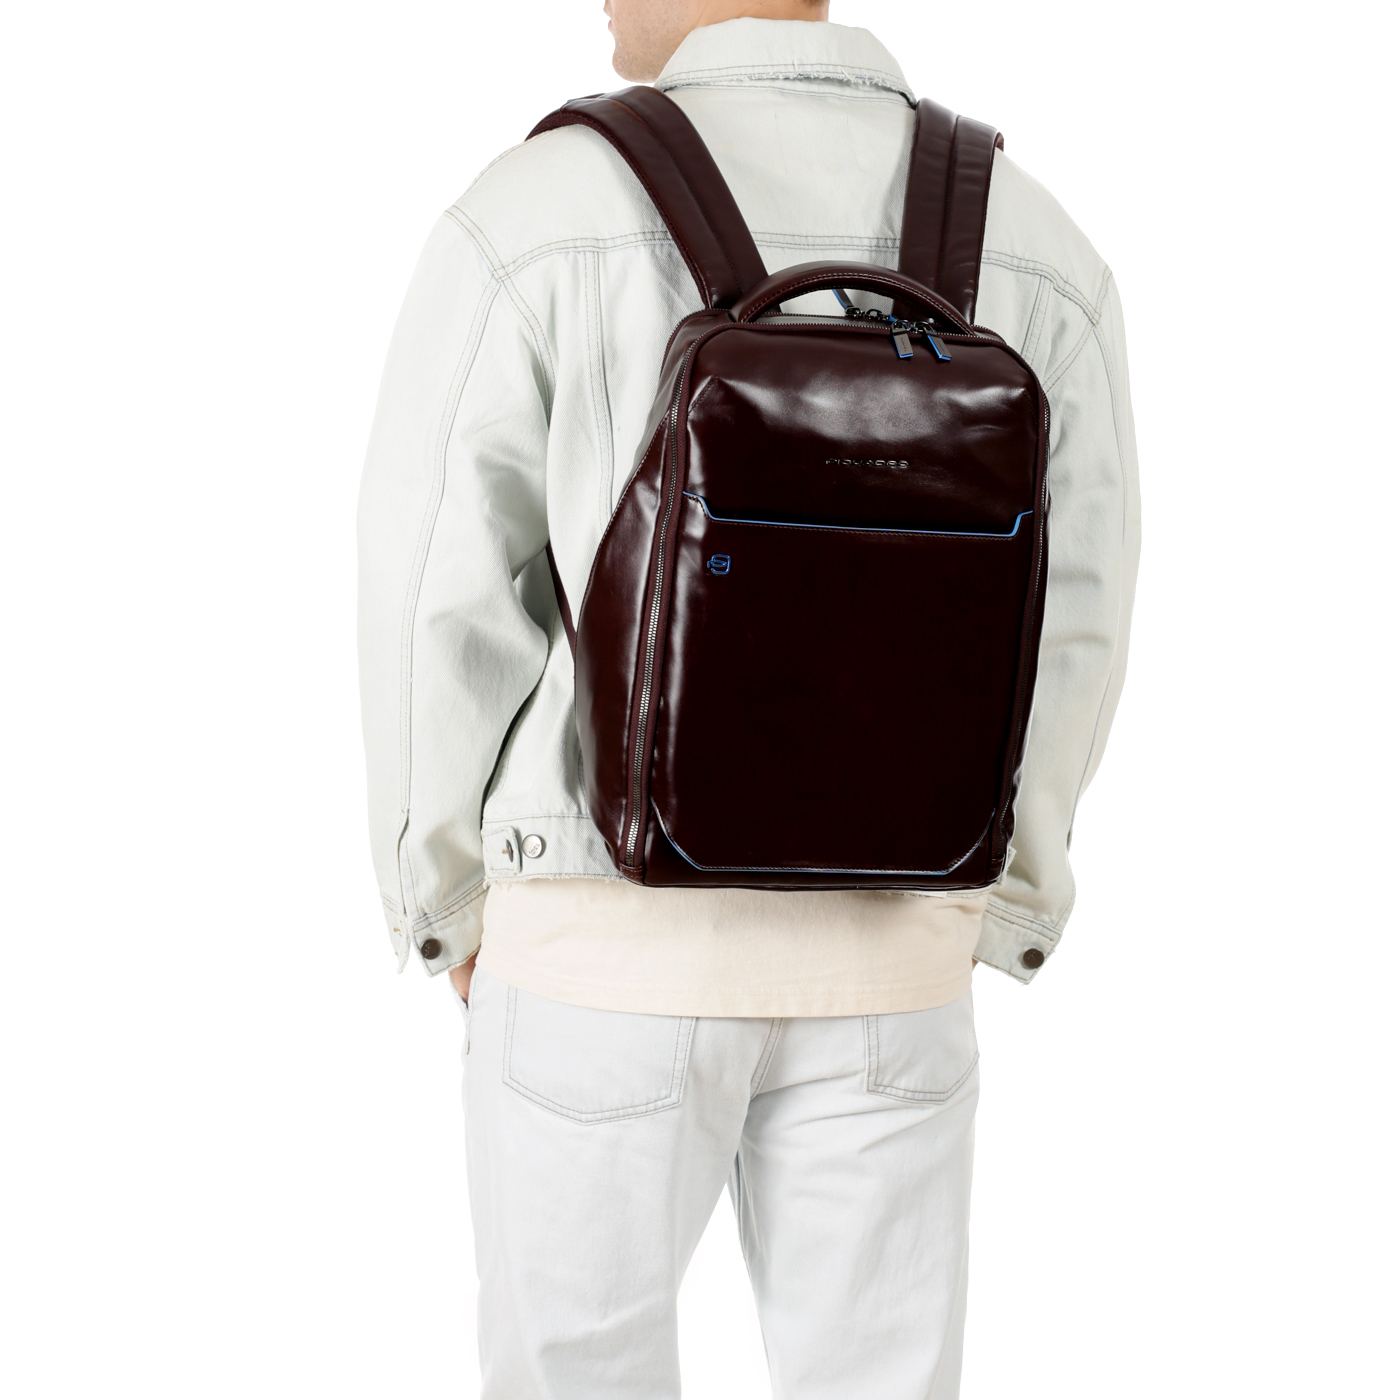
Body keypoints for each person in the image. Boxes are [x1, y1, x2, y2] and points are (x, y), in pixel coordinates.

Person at [357, 2, 1139, 1394]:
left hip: (597, 948)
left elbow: (434, 589)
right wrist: (1004, 899)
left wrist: (450, 899)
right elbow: (1076, 607)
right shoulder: (1033, 236)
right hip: (897, 959)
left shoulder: (534, 213)